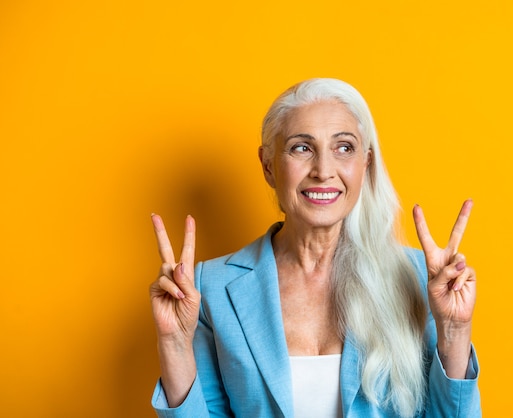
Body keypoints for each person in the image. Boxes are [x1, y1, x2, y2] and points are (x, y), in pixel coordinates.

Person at [149, 78, 481, 417]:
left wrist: (453, 329)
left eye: (344, 148)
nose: (324, 171)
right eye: (301, 148)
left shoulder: (416, 277)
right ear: (268, 166)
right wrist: (174, 343)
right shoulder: (212, 287)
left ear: (365, 164)